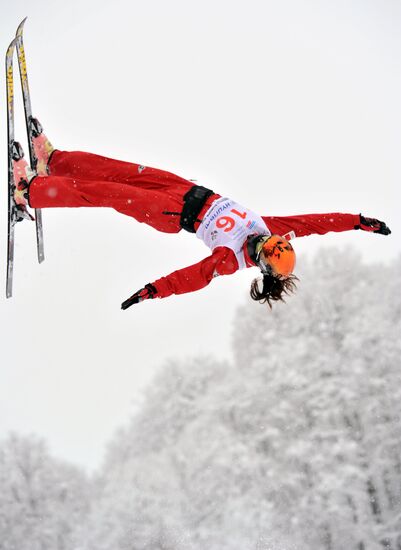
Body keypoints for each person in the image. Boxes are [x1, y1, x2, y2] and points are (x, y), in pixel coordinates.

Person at [12, 120, 391, 310]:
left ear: (260, 262)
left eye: (262, 248)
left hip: (170, 211)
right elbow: (316, 222)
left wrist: (153, 291)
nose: (260, 239)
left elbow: (193, 278)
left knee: (103, 194)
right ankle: (53, 160)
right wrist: (359, 221)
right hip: (182, 187)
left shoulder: (231, 258)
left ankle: (29, 192)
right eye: (269, 240)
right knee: (118, 169)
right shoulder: (270, 229)